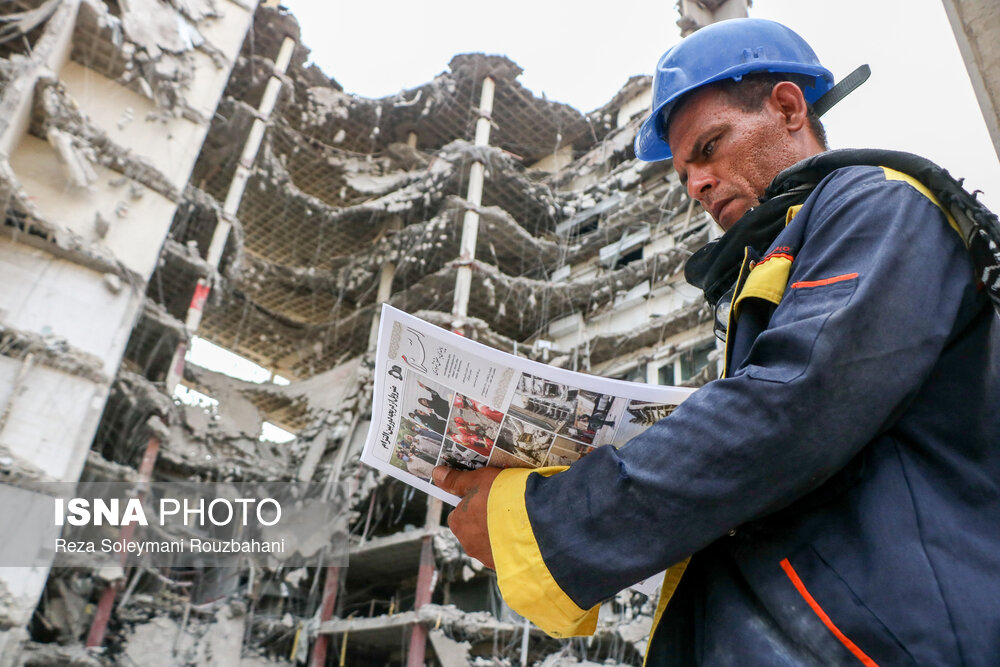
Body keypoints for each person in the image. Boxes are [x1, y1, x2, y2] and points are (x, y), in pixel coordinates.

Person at [434, 17, 1000, 666]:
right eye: (683, 174)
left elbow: (786, 412)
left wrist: (541, 520)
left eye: (709, 146)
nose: (696, 184)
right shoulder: (780, 256)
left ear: (789, 108)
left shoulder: (877, 206)